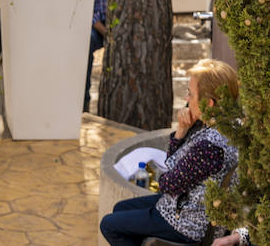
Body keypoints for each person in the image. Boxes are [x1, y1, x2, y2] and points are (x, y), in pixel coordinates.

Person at [99, 60, 241, 246]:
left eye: (190, 94)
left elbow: (166, 184)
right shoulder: (227, 125)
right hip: (187, 206)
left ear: (208, 103)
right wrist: (183, 131)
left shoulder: (209, 148)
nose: (186, 98)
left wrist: (180, 133)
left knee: (110, 225)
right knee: (120, 208)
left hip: (188, 223)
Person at [87, 0, 109, 111]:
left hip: (107, 24)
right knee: (86, 43)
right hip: (97, 27)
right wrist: (105, 32)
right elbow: (90, 12)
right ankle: (84, 100)